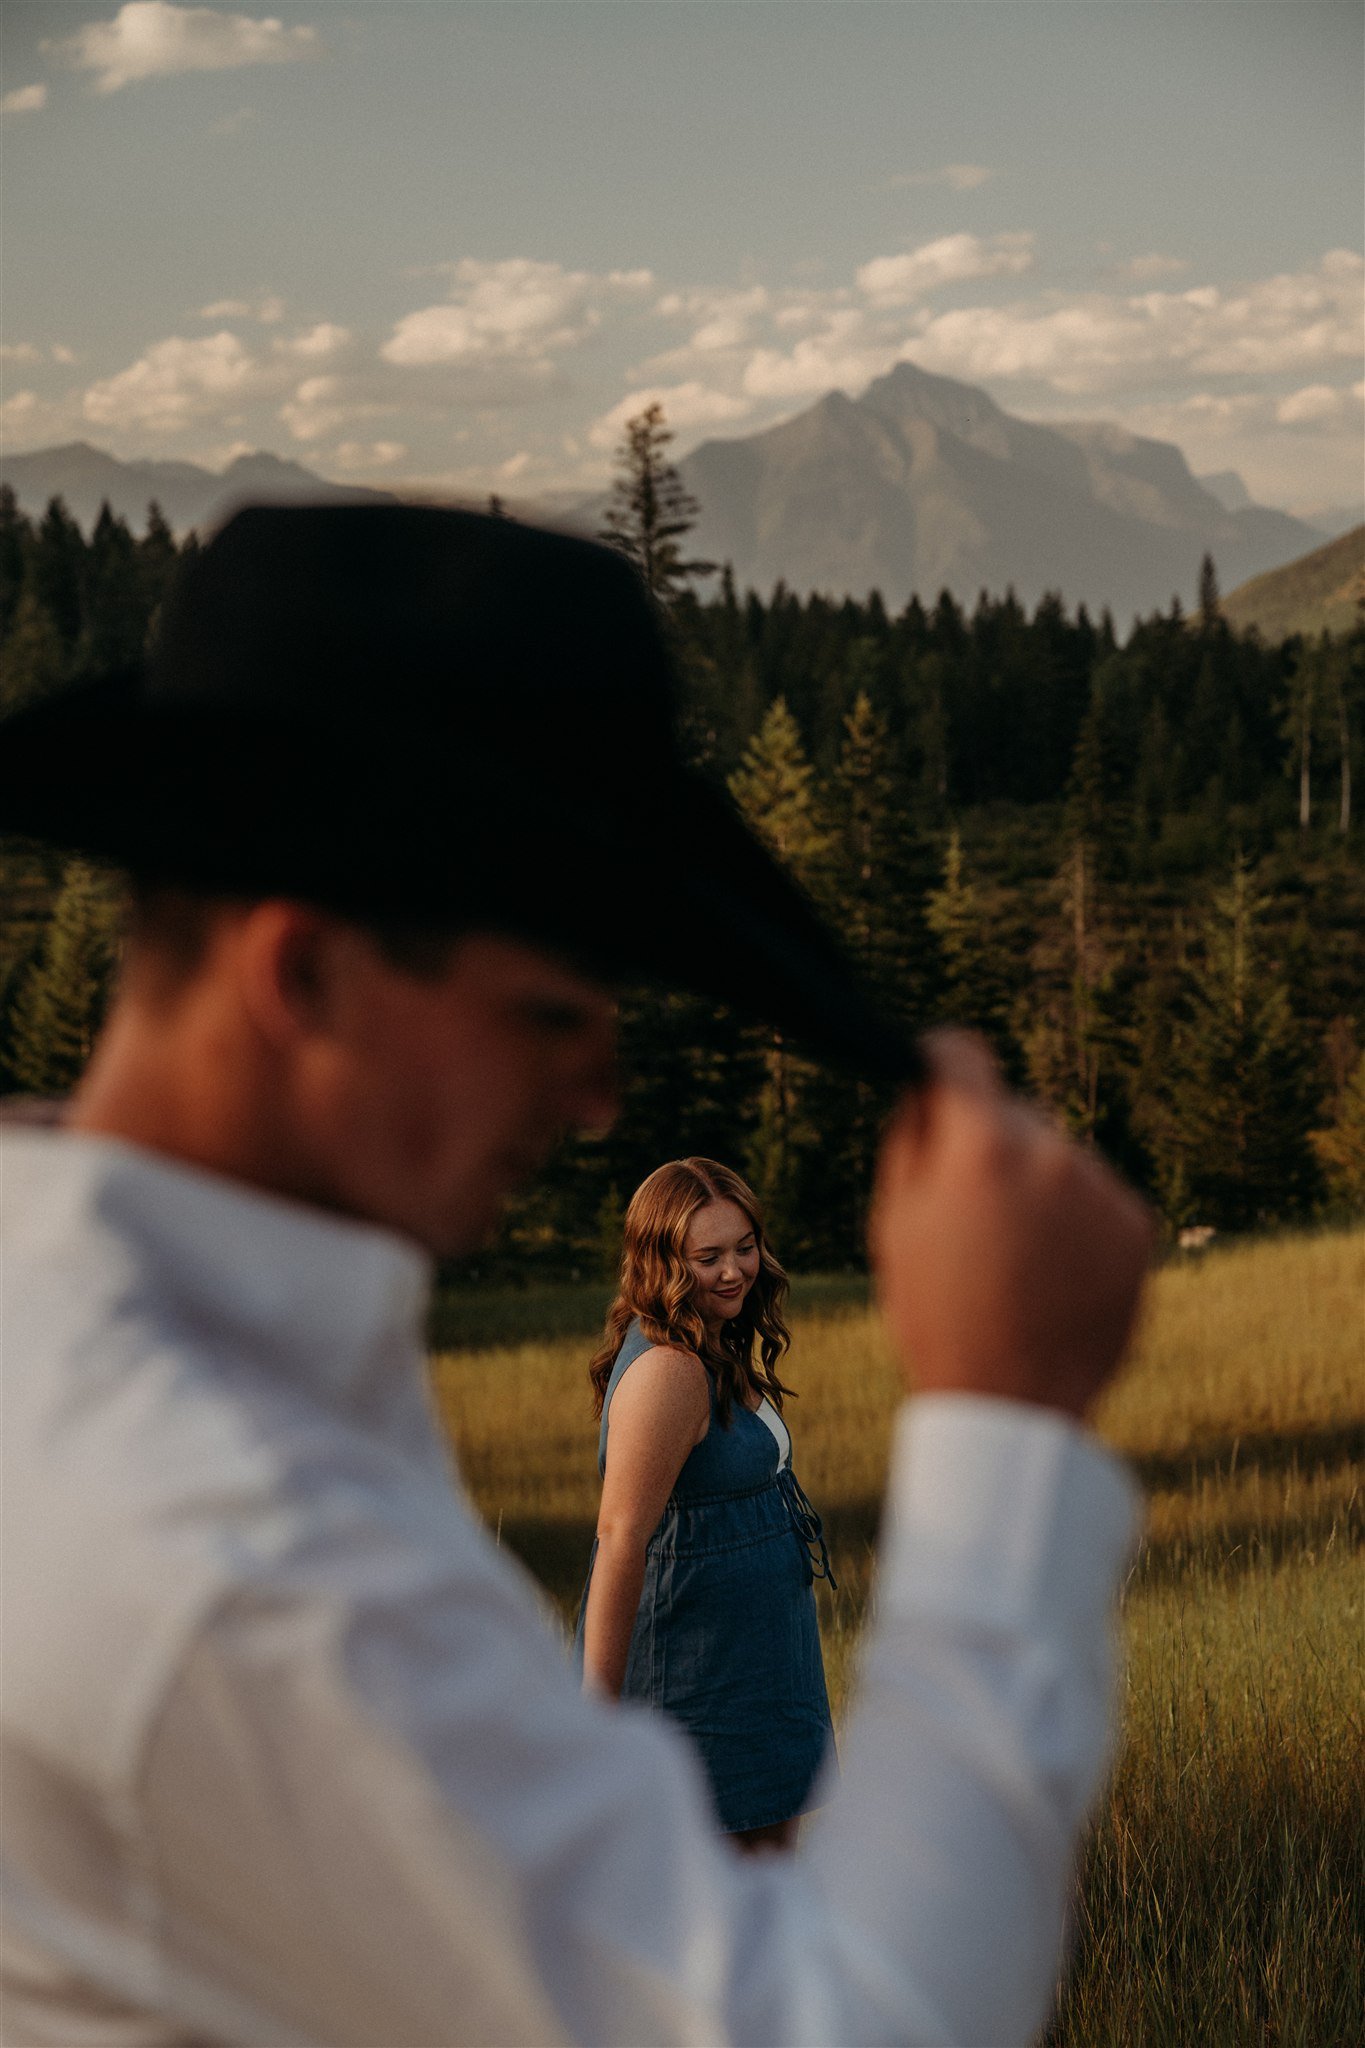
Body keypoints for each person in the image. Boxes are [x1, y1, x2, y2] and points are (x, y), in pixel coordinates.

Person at [0, 503, 1153, 2047]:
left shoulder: (77, 1313)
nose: (598, 1097)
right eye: (551, 1014)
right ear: (304, 975)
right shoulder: (228, 1552)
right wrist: (1010, 1419)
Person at [578, 1158, 835, 1850]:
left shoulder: (711, 1344)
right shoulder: (670, 1369)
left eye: (744, 1247)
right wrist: (595, 1729)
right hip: (698, 1682)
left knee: (763, 1891)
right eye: (707, 1256)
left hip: (756, 1667)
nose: (733, 1271)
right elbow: (620, 1537)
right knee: (727, 1903)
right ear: (661, 1260)